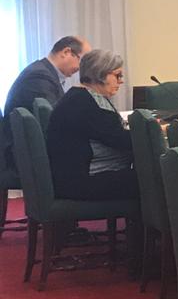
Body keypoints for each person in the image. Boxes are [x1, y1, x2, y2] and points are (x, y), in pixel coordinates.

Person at [44, 48, 137, 201]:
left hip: (68, 178)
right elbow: (122, 141)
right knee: (155, 177)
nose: (121, 81)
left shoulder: (78, 96)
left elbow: (109, 132)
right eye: (117, 75)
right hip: (80, 183)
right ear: (100, 74)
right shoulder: (88, 104)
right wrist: (153, 132)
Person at [2, 35, 86, 175]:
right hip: (25, 158)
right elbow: (54, 121)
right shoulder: (39, 77)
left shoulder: (44, 72)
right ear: (66, 52)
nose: (80, 68)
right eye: (81, 61)